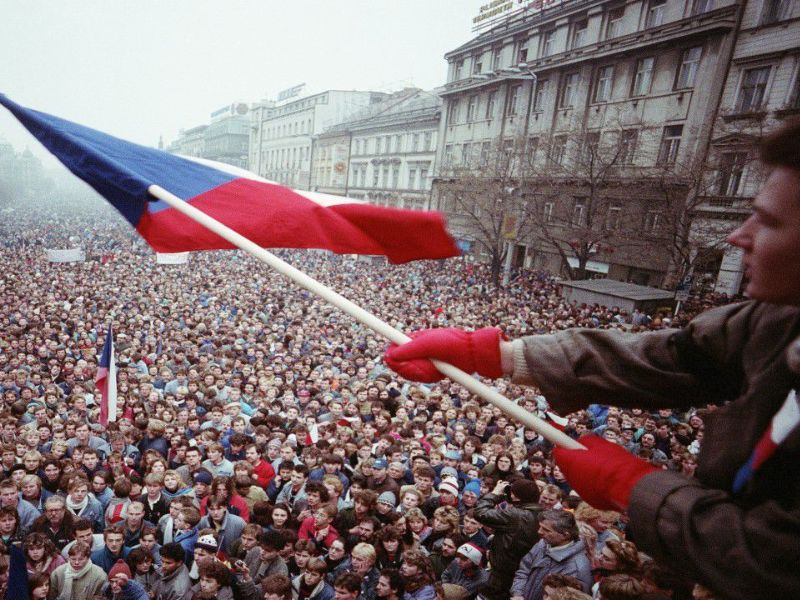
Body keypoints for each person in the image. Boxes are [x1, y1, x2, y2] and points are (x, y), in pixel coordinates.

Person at [383, 121, 800, 599]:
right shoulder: (779, 320)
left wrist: (636, 488)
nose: (738, 237)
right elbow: (678, 356)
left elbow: (779, 561)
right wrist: (498, 355)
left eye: (768, 222)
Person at [472, 479, 542, 600]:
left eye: (513, 492)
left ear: (517, 497)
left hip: (502, 574)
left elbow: (480, 512)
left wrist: (494, 493)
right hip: (521, 572)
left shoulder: (516, 515)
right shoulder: (540, 513)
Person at [510, 510, 593, 600]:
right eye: (540, 527)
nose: (539, 532)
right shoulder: (542, 544)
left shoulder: (577, 568)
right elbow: (523, 570)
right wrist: (518, 594)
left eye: (546, 530)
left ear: (565, 535)